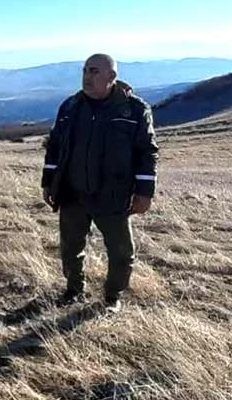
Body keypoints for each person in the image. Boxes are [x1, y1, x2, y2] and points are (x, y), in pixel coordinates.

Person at [41, 53, 158, 313]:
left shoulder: (134, 109)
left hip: (112, 195)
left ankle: (112, 297)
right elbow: (55, 147)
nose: (87, 76)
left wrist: (144, 192)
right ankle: (73, 290)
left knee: (120, 252)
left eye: (94, 71)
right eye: (84, 70)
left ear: (111, 77)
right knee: (71, 248)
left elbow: (146, 151)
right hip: (72, 192)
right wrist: (48, 181)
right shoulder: (70, 107)